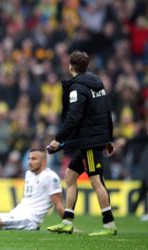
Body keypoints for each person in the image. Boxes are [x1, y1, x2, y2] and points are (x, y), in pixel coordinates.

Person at [46, 51, 117, 236]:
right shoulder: (98, 83)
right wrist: (109, 138)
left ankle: (109, 225)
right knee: (70, 176)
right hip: (91, 139)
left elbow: (73, 117)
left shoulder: (77, 89)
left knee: (96, 181)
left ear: (70, 66)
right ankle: (67, 222)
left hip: (90, 142)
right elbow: (106, 112)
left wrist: (58, 139)